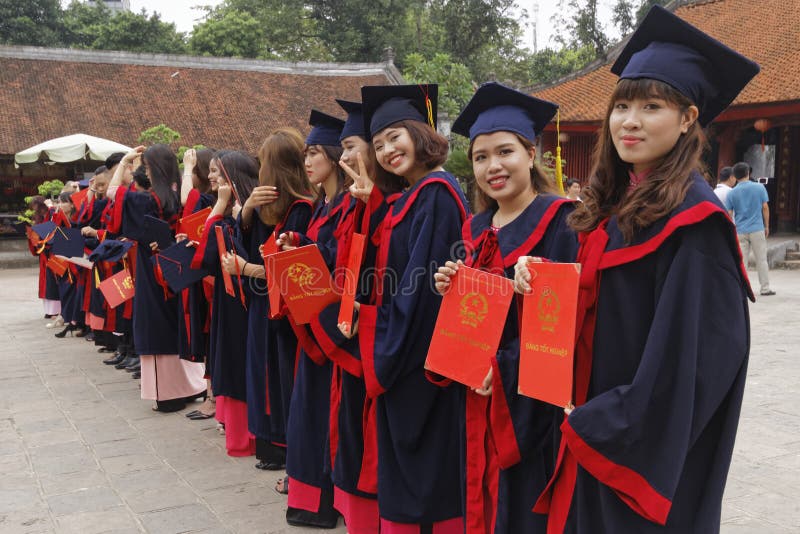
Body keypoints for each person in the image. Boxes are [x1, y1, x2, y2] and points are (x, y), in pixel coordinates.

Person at [516, 6, 757, 532]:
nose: (629, 120)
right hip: (588, 427)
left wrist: (603, 422)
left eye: (651, 106)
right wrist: (540, 282)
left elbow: (695, 362)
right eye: (621, 105)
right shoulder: (614, 205)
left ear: (688, 118)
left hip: (632, 451)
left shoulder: (694, 224)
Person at [433, 82, 578, 534]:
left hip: (526, 405)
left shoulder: (562, 222)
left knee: (519, 508)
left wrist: (505, 369)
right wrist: (451, 288)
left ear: (531, 154)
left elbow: (566, 326)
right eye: (480, 157)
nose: (493, 166)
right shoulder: (475, 226)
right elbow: (474, 311)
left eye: (505, 152)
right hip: (475, 395)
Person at [341, 84, 469, 532]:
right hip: (406, 352)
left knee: (424, 480)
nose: (387, 150)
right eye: (377, 145)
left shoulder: (436, 192)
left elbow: (422, 293)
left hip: (420, 364)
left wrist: (371, 323)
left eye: (395, 136)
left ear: (421, 132)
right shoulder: (411, 197)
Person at [220, 128, 312, 473]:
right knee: (263, 374)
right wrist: (246, 213)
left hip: (287, 310)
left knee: (281, 377)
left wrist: (246, 269)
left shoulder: (302, 210)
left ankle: (286, 447)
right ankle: (270, 444)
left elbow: (293, 270)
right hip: (264, 305)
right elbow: (246, 241)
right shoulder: (266, 208)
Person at [110, 144, 206, 412]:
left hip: (152, 272)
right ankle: (191, 386)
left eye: (147, 168)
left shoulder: (148, 200)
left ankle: (169, 392)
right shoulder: (177, 198)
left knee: (156, 329)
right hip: (175, 266)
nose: (146, 173)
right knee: (176, 325)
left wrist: (124, 164)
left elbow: (113, 194)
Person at [725, 161, 775, 296]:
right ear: (748, 173)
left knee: (742, 261)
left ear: (735, 176)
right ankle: (765, 288)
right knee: (761, 259)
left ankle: (742, 289)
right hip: (757, 228)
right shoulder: (759, 188)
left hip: (740, 230)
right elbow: (765, 207)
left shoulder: (732, 193)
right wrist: (767, 226)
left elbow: (729, 214)